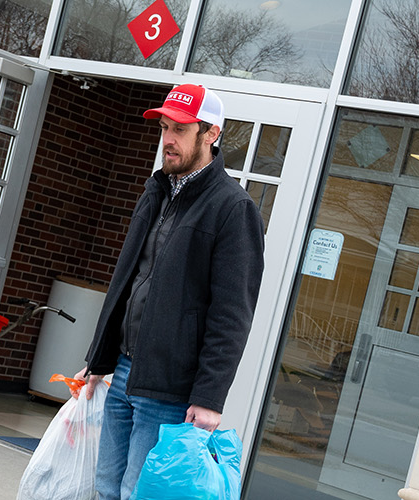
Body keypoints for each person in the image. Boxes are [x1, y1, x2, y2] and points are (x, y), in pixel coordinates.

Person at [75, 83, 265, 499]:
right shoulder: (157, 190)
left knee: (136, 493)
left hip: (169, 386)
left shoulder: (233, 208)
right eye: (164, 128)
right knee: (105, 488)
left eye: (180, 129)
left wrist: (209, 396)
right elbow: (127, 280)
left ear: (211, 133)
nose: (168, 140)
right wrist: (98, 359)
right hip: (124, 371)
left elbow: (232, 314)